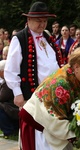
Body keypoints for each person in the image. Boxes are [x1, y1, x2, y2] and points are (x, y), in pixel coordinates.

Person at [4, 1, 63, 150]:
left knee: (51, 136)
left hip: (52, 96)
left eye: (44, 21)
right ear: (28, 20)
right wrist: (17, 93)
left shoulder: (48, 39)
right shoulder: (20, 39)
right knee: (36, 136)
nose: (42, 24)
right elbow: (11, 69)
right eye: (38, 21)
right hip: (32, 96)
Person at [19, 47, 80, 150]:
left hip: (48, 125)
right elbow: (55, 122)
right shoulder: (61, 85)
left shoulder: (73, 74)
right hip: (38, 126)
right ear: (77, 67)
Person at [0, 60, 19, 138]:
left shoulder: (9, 81)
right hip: (12, 107)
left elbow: (1, 97)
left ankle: (8, 131)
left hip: (14, 108)